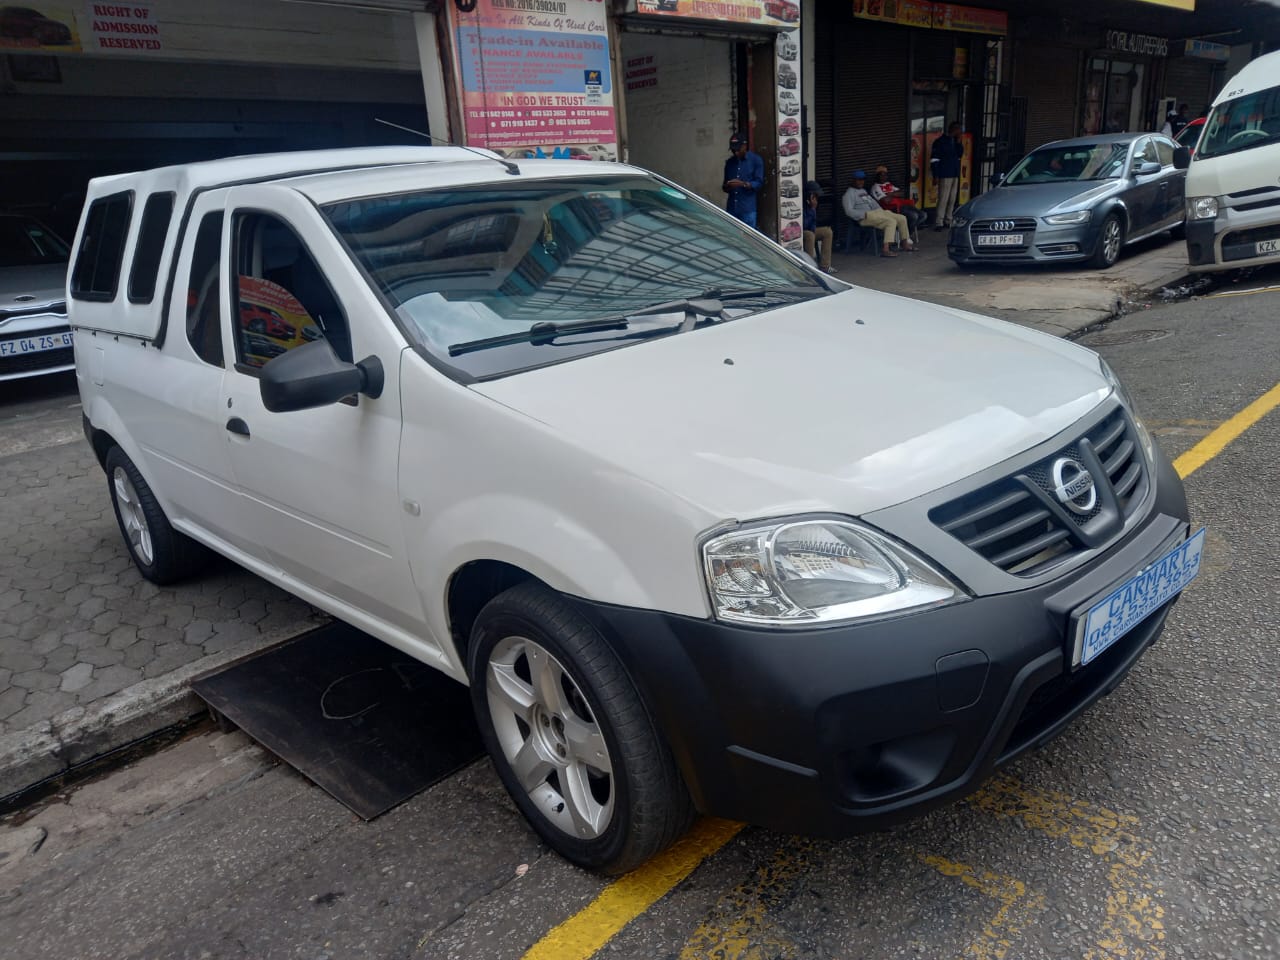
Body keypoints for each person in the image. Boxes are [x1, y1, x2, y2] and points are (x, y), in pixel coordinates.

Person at [842, 170, 914, 257]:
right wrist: (863, 214)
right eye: (859, 180)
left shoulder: (863, 191)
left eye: (863, 180)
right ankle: (886, 249)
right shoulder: (848, 194)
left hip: (877, 212)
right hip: (865, 217)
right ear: (853, 180)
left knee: (902, 218)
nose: (861, 182)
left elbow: (873, 203)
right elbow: (849, 211)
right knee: (890, 222)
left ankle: (904, 243)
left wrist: (881, 211)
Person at [870, 165, 922, 243]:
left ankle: (906, 234)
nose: (884, 177)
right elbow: (886, 201)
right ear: (877, 176)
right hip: (891, 209)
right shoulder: (875, 187)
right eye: (882, 175)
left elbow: (902, 193)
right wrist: (894, 194)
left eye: (885, 175)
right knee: (914, 216)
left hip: (901, 205)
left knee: (923, 215)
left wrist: (891, 194)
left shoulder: (889, 184)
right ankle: (905, 237)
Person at [722, 132, 765, 228]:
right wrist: (728, 185)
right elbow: (724, 187)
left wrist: (743, 184)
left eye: (738, 149)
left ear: (745, 146)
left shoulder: (756, 160)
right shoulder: (729, 163)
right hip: (732, 209)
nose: (736, 152)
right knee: (732, 238)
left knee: (748, 239)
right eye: (733, 150)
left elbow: (759, 183)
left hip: (747, 210)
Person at [930, 121, 964, 230]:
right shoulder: (940, 142)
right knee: (943, 198)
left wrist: (958, 142)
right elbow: (934, 159)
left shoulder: (955, 142)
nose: (960, 132)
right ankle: (938, 221)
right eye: (959, 130)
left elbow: (960, 154)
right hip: (945, 173)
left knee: (952, 198)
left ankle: (948, 219)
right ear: (954, 129)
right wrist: (935, 175)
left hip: (954, 173)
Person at [802, 181, 836, 274]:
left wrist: (813, 209)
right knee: (810, 235)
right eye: (814, 196)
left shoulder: (812, 206)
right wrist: (811, 209)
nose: (816, 198)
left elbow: (813, 224)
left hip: (809, 230)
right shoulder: (801, 204)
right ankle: (810, 268)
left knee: (827, 231)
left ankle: (825, 266)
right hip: (801, 232)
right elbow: (803, 225)